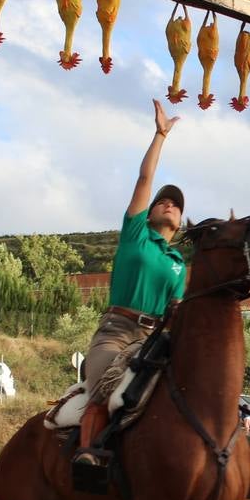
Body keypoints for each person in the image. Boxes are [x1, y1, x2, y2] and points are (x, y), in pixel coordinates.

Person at [75, 100, 186, 467]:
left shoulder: (178, 264)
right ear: (149, 212)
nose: (169, 205)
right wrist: (160, 135)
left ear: (181, 222)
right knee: (106, 387)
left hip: (154, 339)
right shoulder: (135, 235)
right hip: (116, 331)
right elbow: (145, 179)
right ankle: (87, 455)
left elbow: (178, 311)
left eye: (176, 205)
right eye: (163, 202)